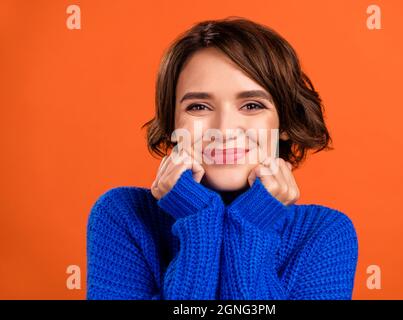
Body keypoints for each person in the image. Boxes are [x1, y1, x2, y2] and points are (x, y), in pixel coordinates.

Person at [86, 17, 358, 300]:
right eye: (199, 106)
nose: (225, 129)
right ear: (172, 125)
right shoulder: (123, 215)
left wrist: (253, 224)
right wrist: (196, 218)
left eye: (252, 105)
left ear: (286, 125)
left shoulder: (324, 234)